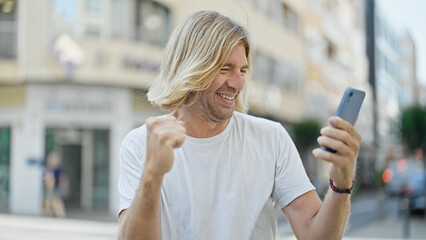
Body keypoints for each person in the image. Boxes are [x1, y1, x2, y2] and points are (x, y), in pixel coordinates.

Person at [118, 10, 361, 240]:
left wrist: (341, 183)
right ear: (189, 69)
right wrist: (153, 173)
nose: (238, 84)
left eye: (243, 70)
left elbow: (313, 234)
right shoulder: (141, 144)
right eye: (225, 69)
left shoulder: (271, 138)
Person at [43, 151, 69, 217]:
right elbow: (46, 178)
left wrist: (64, 187)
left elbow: (62, 179)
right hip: (49, 186)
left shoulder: (58, 170)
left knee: (56, 199)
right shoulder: (48, 169)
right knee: (48, 199)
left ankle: (60, 211)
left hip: (56, 187)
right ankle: (48, 211)